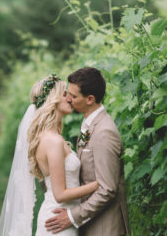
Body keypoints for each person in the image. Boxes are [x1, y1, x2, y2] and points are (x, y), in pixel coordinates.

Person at [0, 74, 98, 236]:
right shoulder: (53, 141)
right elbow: (60, 194)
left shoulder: (47, 137)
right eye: (64, 94)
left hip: (61, 217)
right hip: (59, 221)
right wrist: (98, 185)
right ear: (53, 99)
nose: (70, 99)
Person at [45, 67, 130, 236]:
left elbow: (107, 189)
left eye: (74, 96)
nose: (68, 99)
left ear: (90, 99)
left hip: (105, 228)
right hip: (90, 222)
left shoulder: (104, 132)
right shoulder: (89, 125)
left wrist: (72, 216)